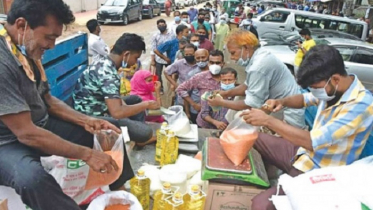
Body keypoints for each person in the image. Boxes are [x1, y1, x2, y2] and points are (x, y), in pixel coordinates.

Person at [0, 0, 127, 209]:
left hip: (39, 124)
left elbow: (48, 100)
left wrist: (86, 120)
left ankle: (120, 193)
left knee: (105, 132)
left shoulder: (24, 48)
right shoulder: (3, 61)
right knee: (32, 179)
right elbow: (26, 134)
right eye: (49, 37)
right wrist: (86, 154)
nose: (51, 46)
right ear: (22, 25)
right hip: (7, 141)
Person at [243, 45, 373, 210]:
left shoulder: (360, 105)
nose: (315, 92)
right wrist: (282, 102)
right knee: (254, 137)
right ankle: (271, 181)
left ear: (336, 79)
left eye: (316, 88)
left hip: (320, 169)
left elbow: (313, 141)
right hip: (302, 154)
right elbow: (305, 99)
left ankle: (280, 188)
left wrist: (267, 121)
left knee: (261, 205)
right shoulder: (331, 89)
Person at [208, 30, 306, 129]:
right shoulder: (259, 55)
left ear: (246, 47)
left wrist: (221, 102)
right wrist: (225, 94)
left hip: (285, 111)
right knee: (238, 99)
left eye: (233, 53)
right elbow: (247, 86)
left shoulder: (258, 66)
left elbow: (251, 103)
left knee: (242, 118)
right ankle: (228, 129)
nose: (232, 58)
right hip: (275, 103)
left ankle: (235, 136)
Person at [73, 33, 159, 146]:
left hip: (98, 104)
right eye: (135, 58)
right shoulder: (108, 73)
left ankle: (137, 136)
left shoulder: (104, 62)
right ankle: (139, 135)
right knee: (145, 132)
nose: (134, 62)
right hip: (91, 115)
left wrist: (129, 112)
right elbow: (117, 112)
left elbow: (115, 98)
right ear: (126, 54)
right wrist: (146, 105)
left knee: (135, 99)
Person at [177, 50, 225, 124]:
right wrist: (193, 104)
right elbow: (180, 89)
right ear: (208, 63)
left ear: (223, 64)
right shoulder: (200, 77)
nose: (214, 65)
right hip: (204, 122)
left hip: (223, 122)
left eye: (218, 63)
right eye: (212, 62)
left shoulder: (228, 78)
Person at [184, 48, 210, 123]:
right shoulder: (191, 74)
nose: (201, 60)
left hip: (211, 110)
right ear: (195, 58)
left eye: (203, 57)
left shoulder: (213, 72)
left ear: (208, 57)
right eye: (198, 58)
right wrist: (187, 112)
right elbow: (185, 93)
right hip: (196, 110)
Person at [151, 19, 175, 95]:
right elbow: (153, 48)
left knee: (171, 73)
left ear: (166, 25)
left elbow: (174, 46)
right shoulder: (155, 36)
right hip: (159, 59)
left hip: (170, 58)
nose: (161, 26)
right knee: (158, 74)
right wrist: (152, 60)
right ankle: (160, 89)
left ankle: (172, 86)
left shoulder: (171, 34)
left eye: (163, 24)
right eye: (160, 25)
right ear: (157, 26)